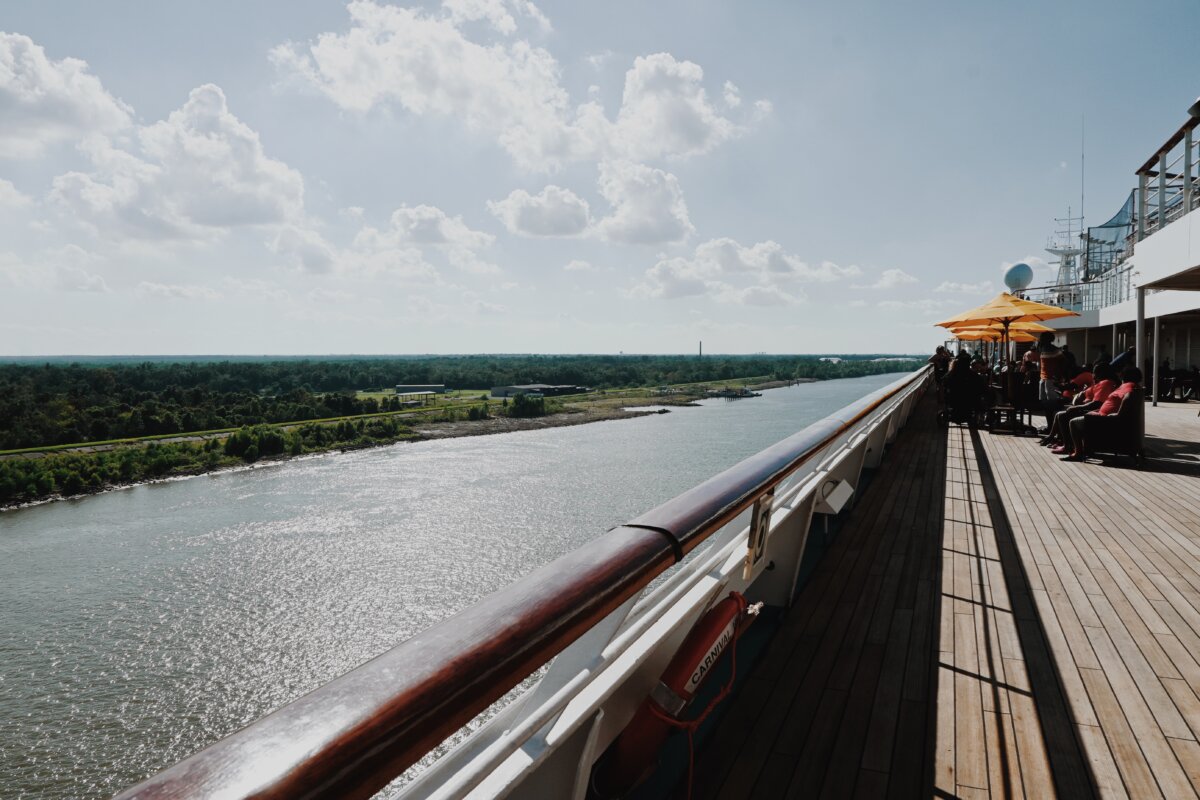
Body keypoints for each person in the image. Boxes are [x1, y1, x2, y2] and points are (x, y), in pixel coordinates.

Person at [1060, 366, 1142, 461]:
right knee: (1078, 418)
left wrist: (1119, 414)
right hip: (1101, 417)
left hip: (1104, 420)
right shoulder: (1134, 386)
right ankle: (1083, 448)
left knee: (1073, 422)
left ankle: (1078, 453)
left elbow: (1128, 395)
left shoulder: (1128, 386)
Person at [1046, 362, 1117, 451]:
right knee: (1061, 412)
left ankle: (1067, 445)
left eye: (1094, 372)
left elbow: (1097, 403)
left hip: (1096, 413)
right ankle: (1058, 439)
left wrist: (1078, 407)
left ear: (1099, 373)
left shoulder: (1105, 383)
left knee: (1062, 415)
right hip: (1090, 408)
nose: (1092, 375)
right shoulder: (1101, 383)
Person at [1035, 331, 1066, 429]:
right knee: (1045, 404)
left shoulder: (1055, 350)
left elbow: (1064, 363)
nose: (1040, 340)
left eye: (1042, 338)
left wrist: (1059, 377)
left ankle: (1054, 427)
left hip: (1051, 380)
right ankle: (1049, 426)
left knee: (1052, 404)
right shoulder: (1042, 349)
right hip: (1043, 379)